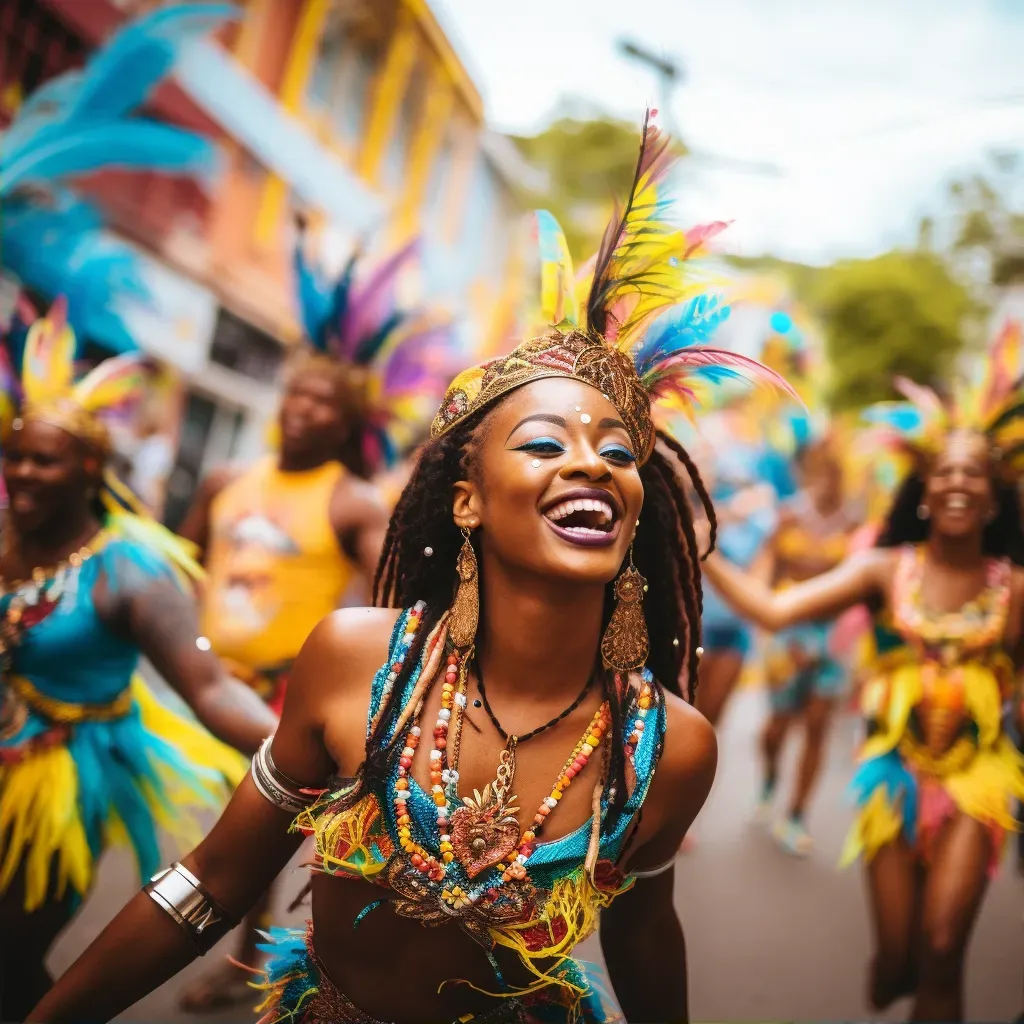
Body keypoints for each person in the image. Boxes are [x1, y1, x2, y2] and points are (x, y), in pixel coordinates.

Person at [28, 113, 791, 1024]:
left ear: (635, 507)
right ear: (467, 500)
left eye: (619, 453)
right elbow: (213, 881)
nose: (591, 463)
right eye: (545, 442)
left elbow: (642, 931)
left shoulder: (669, 749)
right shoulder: (357, 661)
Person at [174, 224, 451, 1011]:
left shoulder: (351, 499)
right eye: (296, 394)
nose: (302, 410)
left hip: (288, 701)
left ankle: (240, 966)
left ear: (345, 422)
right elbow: (181, 567)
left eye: (322, 403)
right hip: (206, 687)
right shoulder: (228, 476)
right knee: (208, 836)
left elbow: (384, 601)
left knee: (257, 843)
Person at [697, 357, 1024, 1020]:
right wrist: (702, 547)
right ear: (925, 490)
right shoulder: (883, 568)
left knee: (942, 950)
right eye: (947, 471)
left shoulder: (1014, 588)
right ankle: (891, 964)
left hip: (978, 780)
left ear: (994, 498)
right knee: (900, 961)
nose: (960, 482)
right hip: (891, 777)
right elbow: (774, 610)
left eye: (976, 474)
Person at [0, 301, 278, 1021]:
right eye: (15, 455)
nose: (24, 473)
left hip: (58, 781)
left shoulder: (131, 572)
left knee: (10, 954)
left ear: (89, 465)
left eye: (45, 460)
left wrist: (308, 757)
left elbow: (211, 689)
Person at [753, 434, 860, 855]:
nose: (826, 479)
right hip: (787, 632)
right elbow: (766, 572)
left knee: (817, 727)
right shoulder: (788, 516)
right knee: (777, 727)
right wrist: (769, 627)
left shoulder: (855, 524)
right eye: (818, 470)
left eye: (834, 471)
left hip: (832, 639)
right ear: (806, 473)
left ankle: (796, 815)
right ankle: (769, 779)